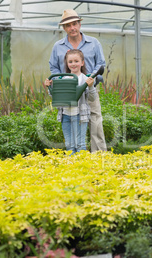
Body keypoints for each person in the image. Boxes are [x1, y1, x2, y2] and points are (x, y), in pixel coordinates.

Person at [49, 9, 107, 152]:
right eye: (68, 25)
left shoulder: (93, 43)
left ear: (79, 24)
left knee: (95, 120)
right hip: (68, 91)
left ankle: (99, 155)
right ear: (64, 28)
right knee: (70, 120)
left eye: (74, 24)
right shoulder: (58, 46)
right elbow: (54, 67)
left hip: (90, 88)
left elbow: (100, 64)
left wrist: (89, 79)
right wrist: (62, 81)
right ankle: (74, 155)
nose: (72, 28)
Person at [45, 49, 96, 154]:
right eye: (70, 62)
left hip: (80, 115)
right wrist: (49, 87)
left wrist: (90, 87)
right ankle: (71, 168)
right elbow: (56, 96)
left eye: (76, 61)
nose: (73, 64)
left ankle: (82, 166)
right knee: (69, 145)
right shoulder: (62, 78)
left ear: (82, 63)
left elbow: (92, 98)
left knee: (80, 145)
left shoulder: (85, 79)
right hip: (66, 115)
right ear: (67, 64)